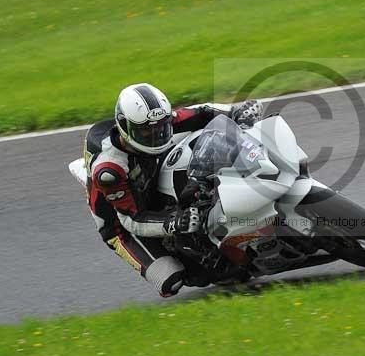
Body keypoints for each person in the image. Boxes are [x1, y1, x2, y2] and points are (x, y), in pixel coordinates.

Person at [82, 82, 263, 297]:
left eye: (162, 127)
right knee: (170, 280)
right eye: (146, 132)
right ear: (125, 127)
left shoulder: (156, 122)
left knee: (202, 154)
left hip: (149, 173)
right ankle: (196, 260)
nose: (157, 135)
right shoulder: (110, 171)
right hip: (123, 224)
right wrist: (174, 222)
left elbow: (201, 112)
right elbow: (133, 220)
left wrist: (235, 112)